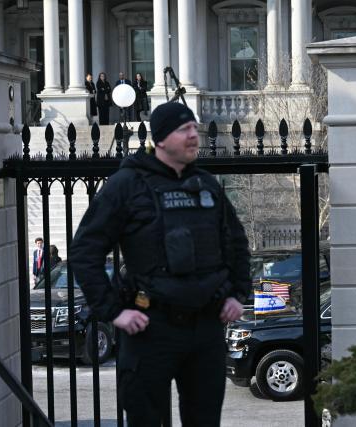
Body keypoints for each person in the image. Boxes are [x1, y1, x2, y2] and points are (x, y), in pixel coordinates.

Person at [69, 101, 251, 426]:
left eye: (195, 128)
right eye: (185, 130)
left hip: (206, 328)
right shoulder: (127, 185)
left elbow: (236, 242)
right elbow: (85, 251)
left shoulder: (207, 185)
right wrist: (114, 312)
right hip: (151, 329)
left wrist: (238, 293)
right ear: (162, 138)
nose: (194, 135)